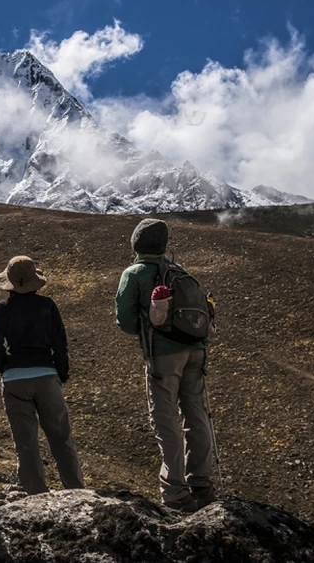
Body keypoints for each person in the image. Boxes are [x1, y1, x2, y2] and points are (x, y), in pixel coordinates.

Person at [115, 219, 215, 512]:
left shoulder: (134, 273)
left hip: (163, 356)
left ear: (136, 244)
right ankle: (202, 482)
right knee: (196, 414)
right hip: (196, 351)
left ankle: (175, 492)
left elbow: (125, 321)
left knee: (165, 419)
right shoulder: (180, 272)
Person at [0, 256, 85, 495]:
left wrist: (6, 367)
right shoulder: (47, 305)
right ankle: (75, 490)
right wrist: (61, 373)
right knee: (61, 437)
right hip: (47, 376)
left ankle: (35, 493)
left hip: (14, 380)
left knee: (25, 442)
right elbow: (61, 345)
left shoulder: (1, 309)